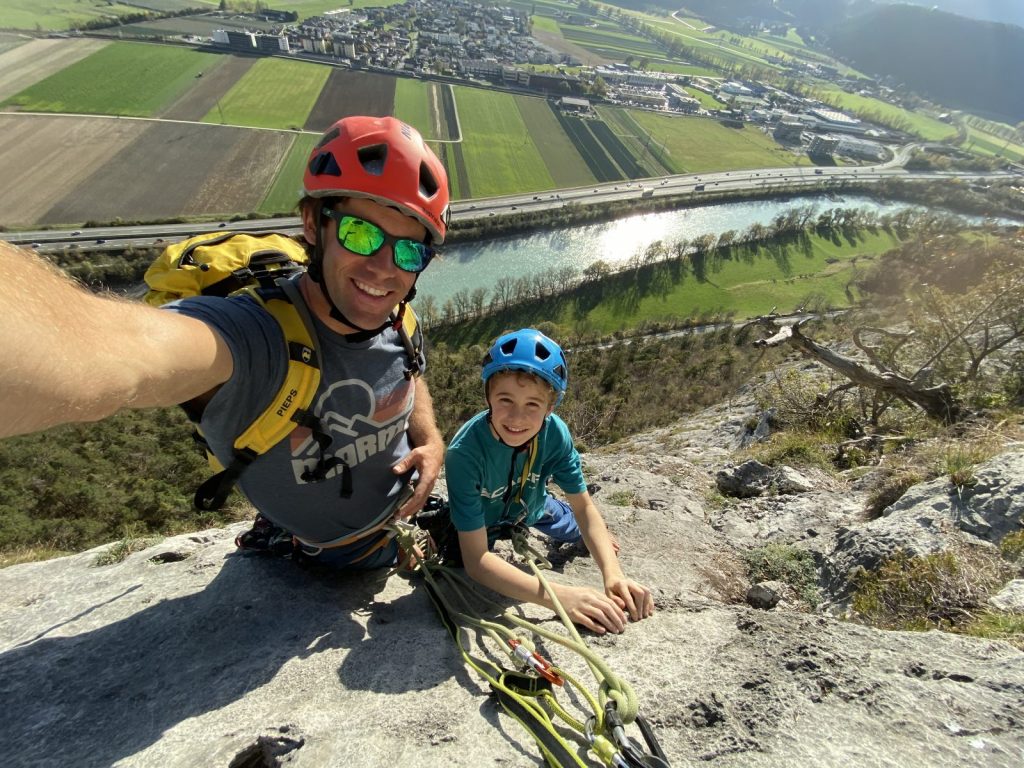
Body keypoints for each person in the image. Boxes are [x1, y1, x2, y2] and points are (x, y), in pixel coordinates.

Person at [0, 115, 450, 569]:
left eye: (409, 250)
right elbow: (111, 349)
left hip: (398, 526)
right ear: (314, 225)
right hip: (335, 559)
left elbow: (410, 373)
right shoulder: (253, 337)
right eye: (362, 234)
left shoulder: (398, 319)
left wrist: (430, 440)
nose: (383, 268)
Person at [444, 328, 654, 634]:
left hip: (534, 506)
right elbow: (477, 561)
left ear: (550, 407)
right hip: (483, 518)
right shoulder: (464, 454)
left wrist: (613, 574)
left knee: (581, 532)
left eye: (532, 404)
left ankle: (585, 541)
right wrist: (561, 597)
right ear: (488, 395)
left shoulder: (554, 434)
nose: (517, 418)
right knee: (459, 566)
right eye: (505, 400)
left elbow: (583, 509)